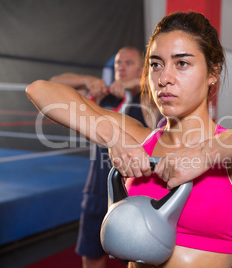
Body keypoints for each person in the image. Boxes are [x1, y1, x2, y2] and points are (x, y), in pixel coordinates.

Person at [26, 11, 232, 268]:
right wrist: (111, 137)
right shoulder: (138, 138)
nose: (164, 78)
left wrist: (206, 153)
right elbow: (40, 90)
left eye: (182, 63)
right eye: (155, 64)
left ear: (213, 72)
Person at [50, 46, 156, 268]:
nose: (121, 67)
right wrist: (87, 80)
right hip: (98, 188)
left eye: (128, 63)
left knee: (140, 260)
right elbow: (53, 84)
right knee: (91, 254)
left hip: (135, 192)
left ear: (141, 69)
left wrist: (136, 83)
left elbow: (157, 84)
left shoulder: (148, 99)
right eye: (118, 63)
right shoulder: (104, 97)